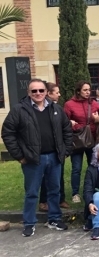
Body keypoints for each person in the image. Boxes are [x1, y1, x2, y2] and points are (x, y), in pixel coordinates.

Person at [1, 78, 72, 237]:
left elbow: (67, 130)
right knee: (32, 192)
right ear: (28, 93)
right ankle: (29, 223)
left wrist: (65, 150)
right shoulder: (19, 110)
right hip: (33, 160)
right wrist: (19, 155)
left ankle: (54, 219)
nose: (38, 93)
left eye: (41, 90)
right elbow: (8, 133)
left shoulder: (56, 109)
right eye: (34, 91)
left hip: (54, 157)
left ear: (46, 92)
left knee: (55, 190)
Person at [64, 81, 99, 204]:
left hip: (93, 140)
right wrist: (73, 125)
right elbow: (65, 122)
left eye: (89, 90)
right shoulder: (69, 104)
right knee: (76, 168)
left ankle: (94, 189)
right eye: (85, 90)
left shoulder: (94, 103)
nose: (87, 92)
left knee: (94, 166)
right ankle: (75, 193)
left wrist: (98, 119)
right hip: (78, 140)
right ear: (78, 91)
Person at [38, 82, 68, 212]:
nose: (59, 94)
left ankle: (60, 199)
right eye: (56, 92)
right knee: (45, 177)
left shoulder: (57, 108)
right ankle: (44, 201)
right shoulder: (40, 110)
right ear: (49, 93)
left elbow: (64, 127)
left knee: (58, 176)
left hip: (58, 149)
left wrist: (66, 148)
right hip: (44, 151)